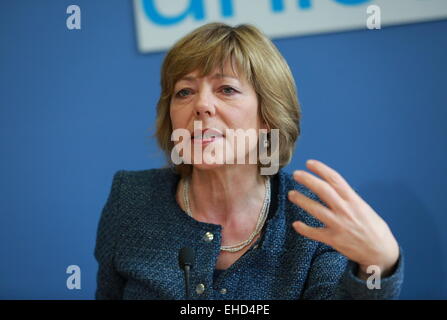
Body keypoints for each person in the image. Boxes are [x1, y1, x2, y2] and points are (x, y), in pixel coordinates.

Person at [94, 22, 404, 300]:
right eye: (184, 91)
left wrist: (376, 266)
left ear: (268, 118)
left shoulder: (310, 215)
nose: (201, 105)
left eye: (226, 89)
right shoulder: (131, 199)